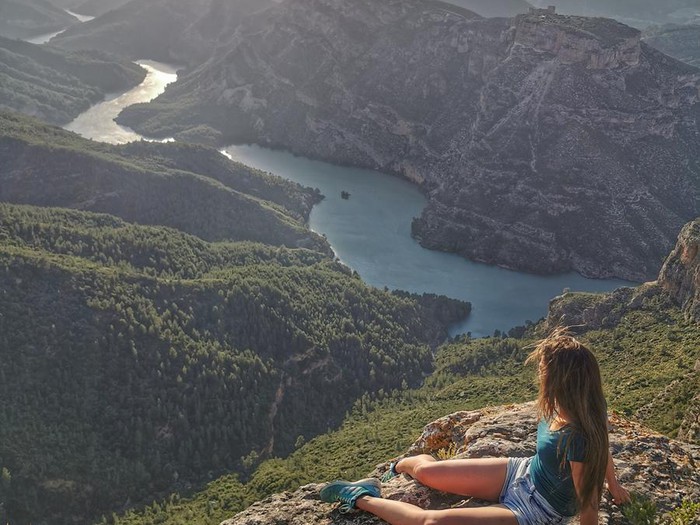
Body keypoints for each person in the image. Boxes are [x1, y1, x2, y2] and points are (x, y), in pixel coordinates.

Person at [319, 329, 631, 525]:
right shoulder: (580, 406)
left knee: (432, 523)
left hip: (538, 512)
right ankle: (398, 466)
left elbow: (589, 507)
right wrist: (615, 485)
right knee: (428, 473)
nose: (539, 375)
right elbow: (603, 445)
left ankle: (361, 497)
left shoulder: (579, 437)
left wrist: (606, 490)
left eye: (543, 370)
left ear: (561, 380)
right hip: (521, 472)